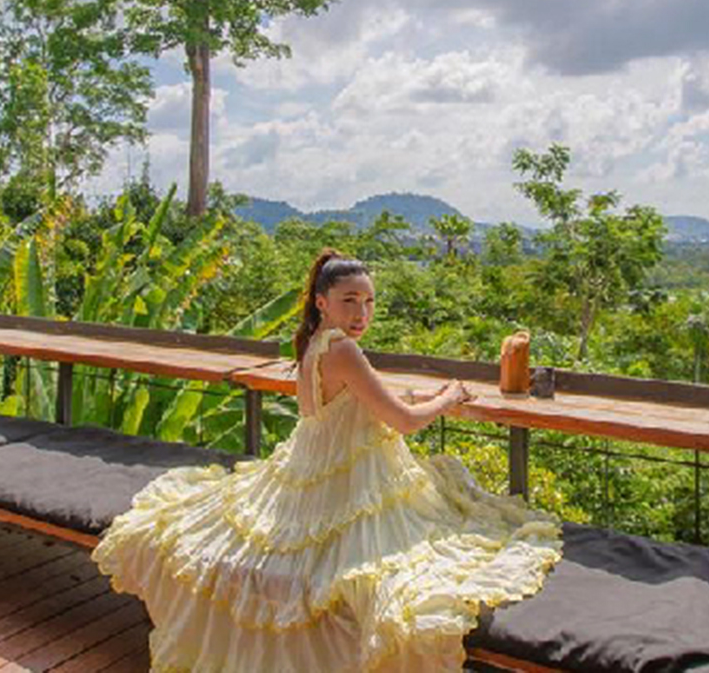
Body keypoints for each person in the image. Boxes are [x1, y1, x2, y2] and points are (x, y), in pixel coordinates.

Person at [93, 249, 563, 672]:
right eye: (350, 301)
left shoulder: (314, 342)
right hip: (349, 477)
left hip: (314, 463)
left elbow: (362, 399)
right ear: (322, 301)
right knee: (430, 550)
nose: (362, 313)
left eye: (369, 302)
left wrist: (423, 395)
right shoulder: (343, 349)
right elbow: (402, 422)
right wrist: (449, 398)